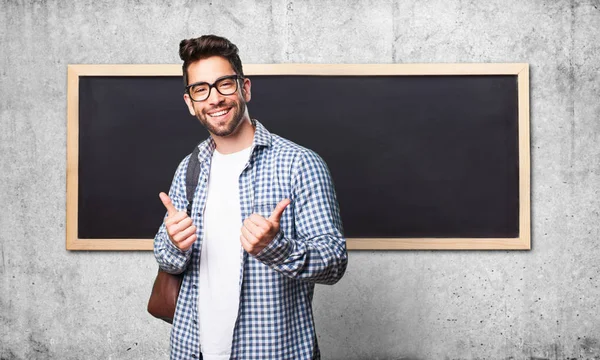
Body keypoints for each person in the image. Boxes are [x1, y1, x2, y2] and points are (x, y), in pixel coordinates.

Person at [153, 35, 347, 360]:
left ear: (245, 88)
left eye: (224, 84)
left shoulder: (299, 164)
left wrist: (276, 248)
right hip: (192, 351)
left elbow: (334, 263)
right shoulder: (190, 168)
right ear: (190, 103)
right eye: (201, 89)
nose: (214, 98)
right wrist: (174, 243)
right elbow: (166, 258)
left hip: (273, 352)